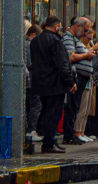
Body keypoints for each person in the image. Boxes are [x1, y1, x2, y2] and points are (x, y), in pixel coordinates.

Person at [29, 15, 76, 153]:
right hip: (55, 84)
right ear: (56, 27)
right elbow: (62, 64)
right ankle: (49, 142)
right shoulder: (55, 41)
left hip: (40, 83)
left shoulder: (35, 41)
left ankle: (49, 141)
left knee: (45, 112)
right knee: (54, 113)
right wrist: (70, 82)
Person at [62, 17, 97, 144]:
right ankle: (70, 135)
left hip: (82, 77)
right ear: (78, 26)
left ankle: (72, 134)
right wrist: (87, 55)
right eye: (85, 30)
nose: (85, 33)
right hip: (76, 76)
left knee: (76, 106)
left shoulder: (76, 39)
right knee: (72, 106)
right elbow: (70, 57)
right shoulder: (68, 38)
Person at [23, 22, 41, 143]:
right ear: (33, 35)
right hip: (31, 80)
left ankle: (27, 130)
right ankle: (31, 130)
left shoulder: (22, 44)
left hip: (26, 81)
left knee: (28, 106)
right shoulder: (29, 45)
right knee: (35, 105)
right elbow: (30, 63)